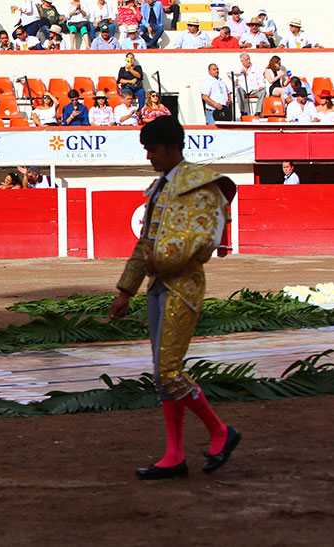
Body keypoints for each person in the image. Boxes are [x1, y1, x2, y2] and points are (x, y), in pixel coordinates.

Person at [109, 115, 240, 481]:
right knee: (162, 375)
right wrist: (125, 291)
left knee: (168, 371)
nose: (149, 156)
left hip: (184, 287)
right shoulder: (160, 188)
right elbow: (144, 245)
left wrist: (159, 260)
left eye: (152, 149)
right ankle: (174, 455)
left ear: (171, 148)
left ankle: (219, 431)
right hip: (159, 287)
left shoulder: (201, 185)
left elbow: (204, 241)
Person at [232, 52, 267, 116]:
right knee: (238, 91)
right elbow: (229, 73)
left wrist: (261, 85)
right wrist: (240, 71)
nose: (249, 61)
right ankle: (242, 111)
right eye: (247, 60)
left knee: (263, 91)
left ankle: (258, 112)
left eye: (249, 59)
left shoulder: (255, 66)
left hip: (254, 88)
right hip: (243, 88)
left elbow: (260, 77)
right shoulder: (237, 66)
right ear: (242, 61)